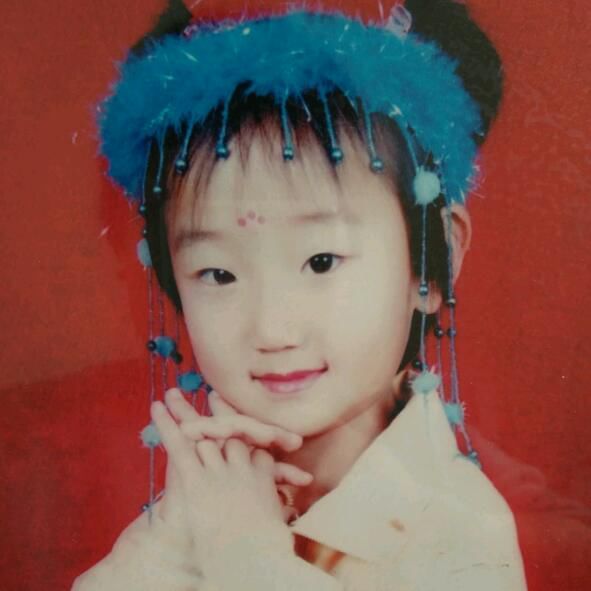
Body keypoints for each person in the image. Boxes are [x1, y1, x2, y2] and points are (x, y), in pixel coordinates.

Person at [73, 0, 528, 589]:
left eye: (321, 262)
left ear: (430, 267)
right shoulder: (212, 489)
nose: (272, 330)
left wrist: (246, 555)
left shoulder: (463, 531)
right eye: (218, 274)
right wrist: (173, 540)